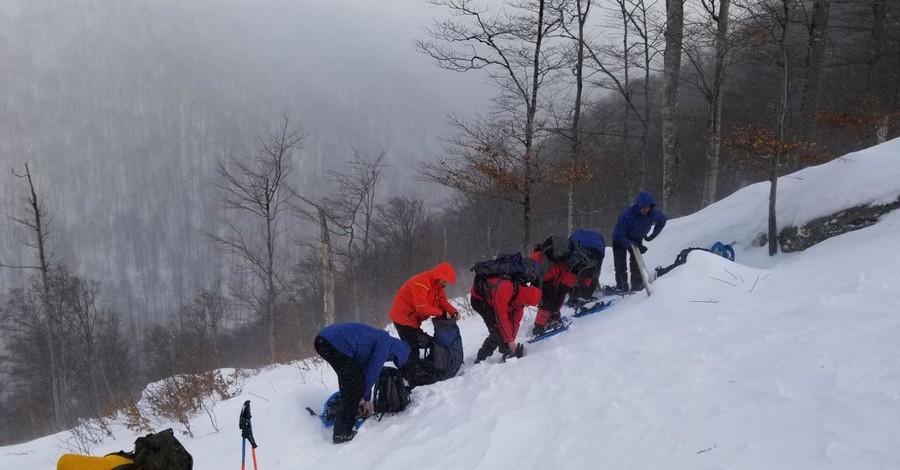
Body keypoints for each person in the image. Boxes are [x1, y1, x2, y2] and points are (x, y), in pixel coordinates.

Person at [314, 323, 411, 444]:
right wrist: (365, 398)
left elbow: (364, 372)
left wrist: (365, 399)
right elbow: (372, 372)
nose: (390, 359)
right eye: (393, 358)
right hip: (335, 343)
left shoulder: (376, 340)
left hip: (323, 340)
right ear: (398, 352)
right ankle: (342, 433)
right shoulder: (385, 343)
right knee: (353, 385)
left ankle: (343, 410)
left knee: (351, 379)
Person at [470, 261, 542, 363]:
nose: (527, 306)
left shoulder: (520, 301)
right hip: (479, 300)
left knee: (501, 333)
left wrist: (511, 339)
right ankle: (481, 358)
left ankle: (506, 351)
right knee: (496, 332)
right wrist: (510, 342)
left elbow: (514, 322)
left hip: (493, 300)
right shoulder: (505, 288)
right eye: (528, 304)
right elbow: (501, 317)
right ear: (526, 299)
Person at [388, 262, 459, 352]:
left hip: (412, 320)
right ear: (438, 276)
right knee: (412, 348)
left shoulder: (437, 286)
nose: (445, 283)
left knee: (423, 342)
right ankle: (405, 361)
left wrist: (453, 312)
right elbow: (421, 307)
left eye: (446, 282)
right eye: (444, 280)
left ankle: (417, 362)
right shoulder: (421, 283)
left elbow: (442, 302)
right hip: (403, 318)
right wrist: (442, 313)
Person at [612, 191, 667, 292]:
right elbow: (619, 235)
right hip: (619, 240)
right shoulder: (626, 215)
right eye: (643, 206)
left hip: (636, 239)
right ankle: (621, 286)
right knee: (620, 264)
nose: (645, 209)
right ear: (638, 205)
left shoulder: (653, 214)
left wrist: (652, 236)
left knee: (636, 262)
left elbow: (663, 220)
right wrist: (631, 245)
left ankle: (636, 286)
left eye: (648, 207)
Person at [528, 236, 579, 336]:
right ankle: (539, 327)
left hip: (538, 274)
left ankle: (550, 320)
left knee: (549, 299)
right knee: (547, 300)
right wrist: (554, 309)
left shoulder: (543, 256)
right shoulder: (567, 266)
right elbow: (561, 292)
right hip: (540, 276)